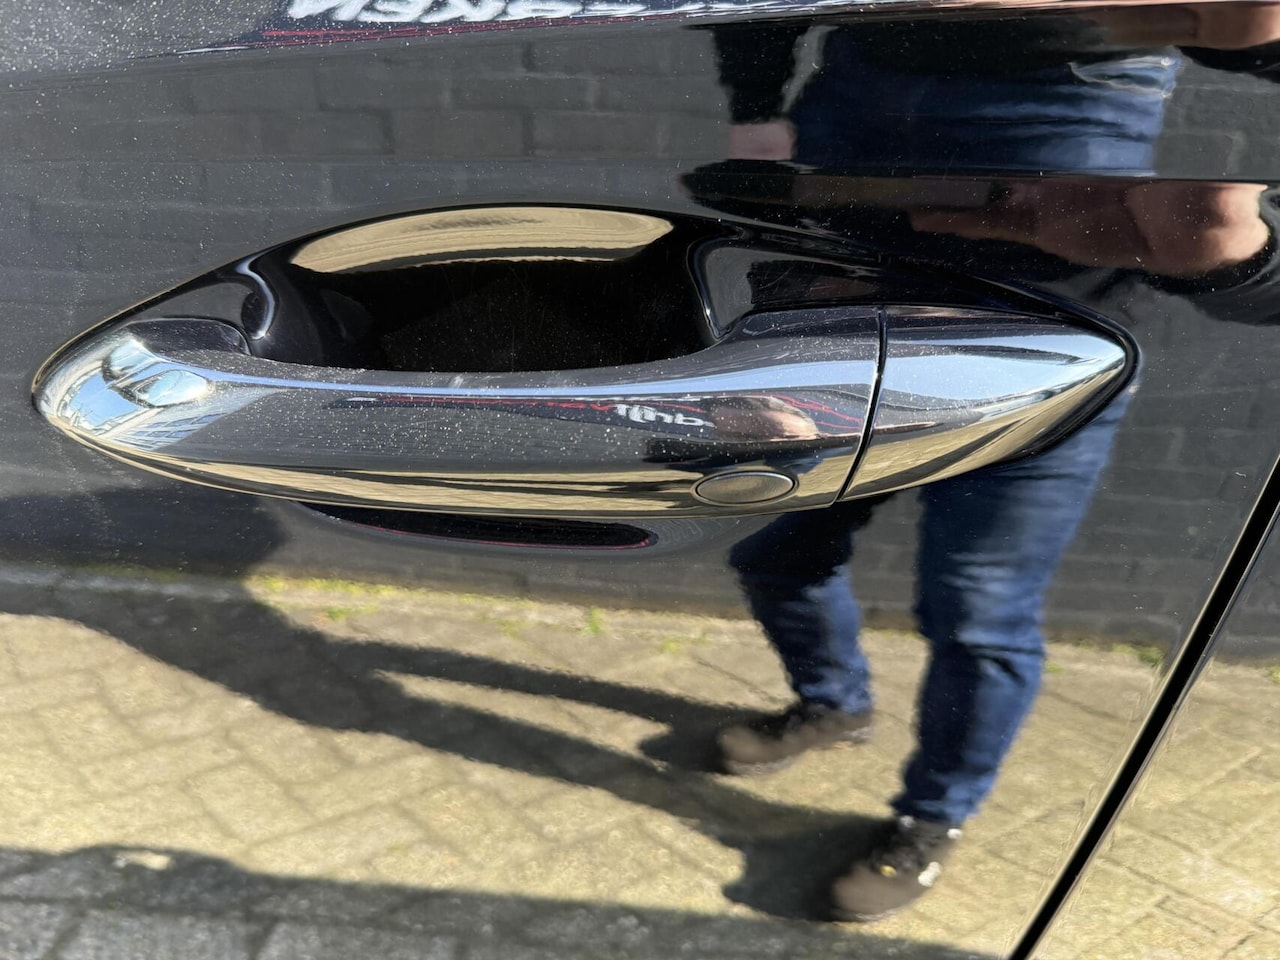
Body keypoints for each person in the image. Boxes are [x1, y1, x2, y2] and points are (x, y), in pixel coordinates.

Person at [707, 5, 1280, 922]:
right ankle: (834, 704)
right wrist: (756, 103)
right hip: (857, 89)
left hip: (1067, 95)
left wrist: (1242, 256)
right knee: (776, 554)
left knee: (977, 609)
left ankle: (934, 817)